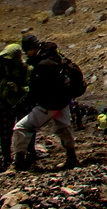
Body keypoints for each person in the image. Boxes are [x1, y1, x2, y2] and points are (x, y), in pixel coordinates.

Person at [11, 40, 86, 170]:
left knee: (21, 127)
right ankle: (72, 158)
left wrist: (18, 106)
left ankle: (19, 163)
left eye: (26, 51)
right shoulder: (55, 56)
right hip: (63, 101)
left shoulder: (43, 65)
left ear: (32, 48)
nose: (26, 54)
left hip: (48, 104)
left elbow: (35, 91)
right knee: (64, 128)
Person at [0, 43, 29, 173]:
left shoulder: (26, 68)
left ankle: (29, 153)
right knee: (4, 134)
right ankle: (6, 157)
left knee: (26, 129)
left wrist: (20, 89)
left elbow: (33, 88)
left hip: (22, 104)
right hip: (2, 105)